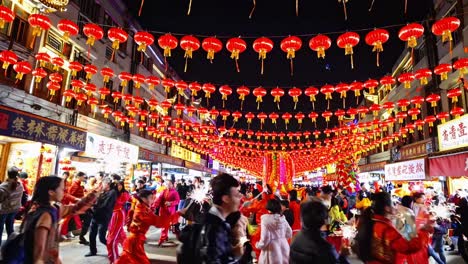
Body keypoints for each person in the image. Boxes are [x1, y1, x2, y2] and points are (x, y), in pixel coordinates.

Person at [23, 176, 97, 263]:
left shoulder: (52, 208)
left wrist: (91, 196)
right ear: (51, 192)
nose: (64, 191)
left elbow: (74, 209)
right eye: (62, 189)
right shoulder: (45, 215)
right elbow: (39, 251)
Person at [354, 192, 430, 263]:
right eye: (393, 204)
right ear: (387, 208)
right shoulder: (385, 228)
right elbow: (408, 246)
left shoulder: (371, 222)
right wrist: (424, 231)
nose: (395, 206)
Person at [116, 189, 179, 264]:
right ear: (143, 199)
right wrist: (178, 214)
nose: (153, 200)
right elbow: (160, 222)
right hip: (135, 242)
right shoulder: (143, 213)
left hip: (134, 241)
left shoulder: (140, 206)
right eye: (151, 198)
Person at [204, 173, 242, 263]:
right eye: (236, 195)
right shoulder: (215, 226)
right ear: (226, 199)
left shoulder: (218, 221)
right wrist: (236, 256)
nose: (241, 197)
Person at [85, 177, 118, 257]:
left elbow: (106, 205)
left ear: (107, 184)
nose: (101, 185)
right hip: (95, 215)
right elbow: (96, 200)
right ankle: (93, 251)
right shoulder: (102, 191)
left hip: (104, 217)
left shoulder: (112, 193)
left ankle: (113, 249)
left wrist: (93, 207)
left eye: (102, 183)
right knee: (92, 235)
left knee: (101, 237)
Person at [256, 199, 292, 264]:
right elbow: (289, 233)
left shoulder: (265, 220)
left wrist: (259, 245)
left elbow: (265, 238)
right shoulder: (282, 219)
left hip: (271, 249)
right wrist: (282, 238)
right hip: (284, 246)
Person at [107, 180, 131, 263]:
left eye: (120, 185)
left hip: (118, 214)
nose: (119, 187)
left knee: (112, 239)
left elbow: (119, 202)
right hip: (113, 215)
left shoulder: (124, 193)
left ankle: (114, 259)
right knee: (121, 236)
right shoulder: (113, 193)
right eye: (117, 185)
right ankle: (129, 251)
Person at [0, 167, 24, 246]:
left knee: (0, 228)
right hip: (15, 209)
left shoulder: (3, 186)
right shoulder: (20, 185)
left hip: (4, 210)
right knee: (10, 228)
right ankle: (11, 246)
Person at [152, 179, 180, 246]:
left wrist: (170, 203)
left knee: (165, 225)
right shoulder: (163, 191)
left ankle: (162, 238)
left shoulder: (175, 192)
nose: (168, 185)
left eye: (169, 184)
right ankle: (165, 236)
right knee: (164, 224)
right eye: (167, 184)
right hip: (162, 210)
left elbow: (177, 201)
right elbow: (158, 200)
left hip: (170, 211)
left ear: (172, 185)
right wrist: (154, 206)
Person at [68, 171, 90, 245]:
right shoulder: (75, 185)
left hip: (79, 206)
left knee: (85, 220)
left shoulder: (79, 184)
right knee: (86, 219)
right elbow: (70, 196)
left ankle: (81, 237)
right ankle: (81, 236)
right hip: (77, 207)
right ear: (78, 177)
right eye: (83, 177)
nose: (84, 178)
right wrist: (77, 200)